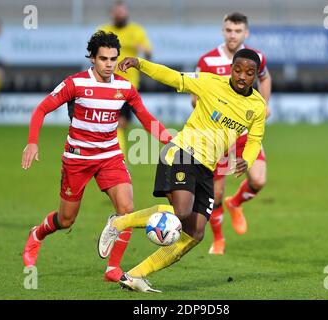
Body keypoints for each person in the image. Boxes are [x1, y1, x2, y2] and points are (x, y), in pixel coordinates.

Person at [98, 48, 266, 292]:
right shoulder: (210, 82)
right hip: (182, 152)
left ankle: (134, 275)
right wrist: (140, 63)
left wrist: (247, 160)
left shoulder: (257, 106)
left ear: (255, 75)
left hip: (207, 167)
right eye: (238, 70)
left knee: (195, 233)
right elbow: (174, 77)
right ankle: (120, 222)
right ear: (231, 69)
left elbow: (254, 139)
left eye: (249, 73)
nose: (242, 76)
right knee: (182, 212)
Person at [21, 31, 172, 283]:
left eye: (113, 58)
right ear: (92, 58)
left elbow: (146, 118)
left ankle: (113, 269)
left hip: (110, 156)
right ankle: (37, 233)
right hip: (77, 158)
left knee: (126, 210)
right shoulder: (76, 84)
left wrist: (169, 139)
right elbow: (42, 109)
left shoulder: (124, 87)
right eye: (103, 59)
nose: (109, 64)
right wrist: (32, 143)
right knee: (66, 219)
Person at [194, 12, 272, 255]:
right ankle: (218, 240)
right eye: (229, 30)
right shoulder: (207, 61)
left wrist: (264, 106)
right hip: (218, 136)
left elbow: (265, 78)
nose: (233, 35)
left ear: (245, 33)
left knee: (258, 180)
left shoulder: (256, 57)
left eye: (238, 31)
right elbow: (195, 99)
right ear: (223, 31)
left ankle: (236, 203)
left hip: (245, 134)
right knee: (215, 194)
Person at [98, 0, 153, 155]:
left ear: (126, 14)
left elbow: (149, 54)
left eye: (122, 13)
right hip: (106, 83)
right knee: (114, 123)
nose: (120, 16)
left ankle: (112, 156)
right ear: (112, 14)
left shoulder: (136, 31)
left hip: (129, 85)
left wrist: (143, 50)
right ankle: (115, 157)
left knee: (120, 124)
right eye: (117, 13)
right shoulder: (103, 31)